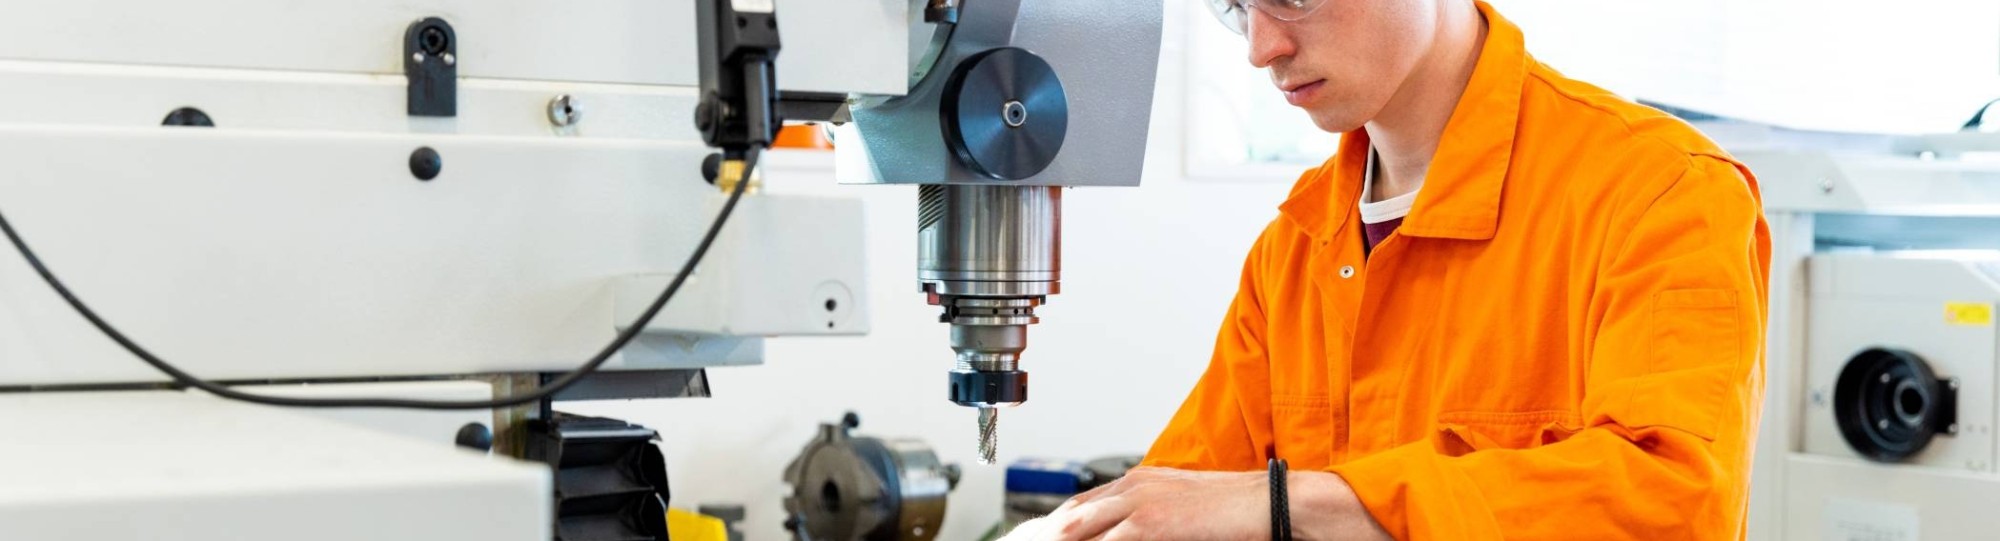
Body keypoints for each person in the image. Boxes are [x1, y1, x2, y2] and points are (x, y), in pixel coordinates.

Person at [1004, 0, 1771, 539]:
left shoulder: (1661, 190)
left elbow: (1673, 506)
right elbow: (1186, 494)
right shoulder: (1300, 243)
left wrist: (1284, 504)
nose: (1260, 46)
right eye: (1236, 5)